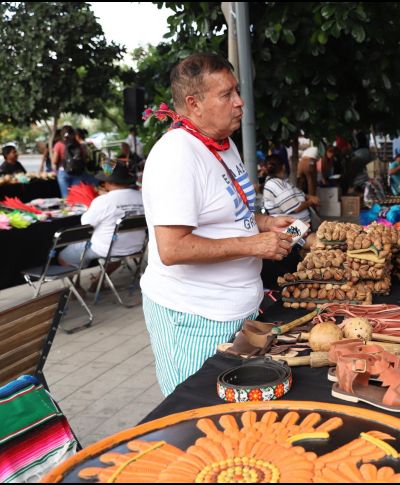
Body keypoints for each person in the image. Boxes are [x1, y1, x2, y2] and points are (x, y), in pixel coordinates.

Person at [140, 53, 294, 396]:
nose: (240, 103)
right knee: (197, 415)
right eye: (227, 95)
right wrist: (252, 245)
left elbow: (227, 216)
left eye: (237, 91)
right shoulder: (177, 155)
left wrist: (266, 223)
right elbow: (172, 248)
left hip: (237, 311)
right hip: (195, 317)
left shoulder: (223, 145)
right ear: (193, 104)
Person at [58, 162, 145, 291]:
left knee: (63, 257)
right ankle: (99, 281)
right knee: (114, 253)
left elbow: (86, 223)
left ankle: (77, 291)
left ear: (108, 183)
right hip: (136, 246)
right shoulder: (141, 197)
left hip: (107, 248)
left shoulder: (104, 201)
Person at [263, 154, 319, 226]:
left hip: (299, 226)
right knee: (314, 237)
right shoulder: (274, 184)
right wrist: (311, 202)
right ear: (283, 167)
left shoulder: (282, 181)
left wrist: (309, 197)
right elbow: (296, 207)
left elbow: (298, 193)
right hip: (291, 229)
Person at [52, 126, 92, 197]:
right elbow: (85, 158)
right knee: (76, 196)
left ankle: (67, 207)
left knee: (66, 196)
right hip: (77, 172)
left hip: (63, 172)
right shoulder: (79, 145)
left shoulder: (59, 145)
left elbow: (54, 161)